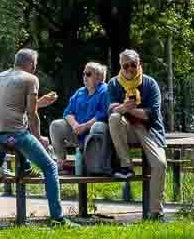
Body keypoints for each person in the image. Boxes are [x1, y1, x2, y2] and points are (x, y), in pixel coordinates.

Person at [0, 47, 76, 226]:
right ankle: (58, 219)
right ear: (30, 64)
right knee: (50, 167)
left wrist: (41, 102)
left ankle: (23, 167)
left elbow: (13, 108)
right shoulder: (31, 79)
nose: (35, 68)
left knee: (18, 141)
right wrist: (39, 137)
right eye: (35, 64)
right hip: (13, 133)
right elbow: (32, 115)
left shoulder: (0, 77)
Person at [106, 48, 168, 220]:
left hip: (149, 129)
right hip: (125, 127)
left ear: (139, 64)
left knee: (160, 164)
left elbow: (152, 114)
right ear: (120, 66)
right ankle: (126, 166)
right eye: (125, 66)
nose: (129, 69)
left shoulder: (150, 84)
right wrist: (124, 108)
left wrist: (129, 109)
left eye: (133, 64)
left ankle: (156, 212)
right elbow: (111, 109)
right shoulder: (113, 84)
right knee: (114, 118)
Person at [49, 62, 112, 171]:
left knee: (98, 126)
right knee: (56, 125)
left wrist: (85, 126)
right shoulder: (80, 92)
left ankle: (96, 167)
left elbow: (103, 114)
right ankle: (61, 163)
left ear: (99, 77)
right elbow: (68, 112)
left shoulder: (106, 91)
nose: (84, 77)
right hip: (77, 133)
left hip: (94, 135)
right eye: (84, 74)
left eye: (88, 74)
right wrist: (75, 125)